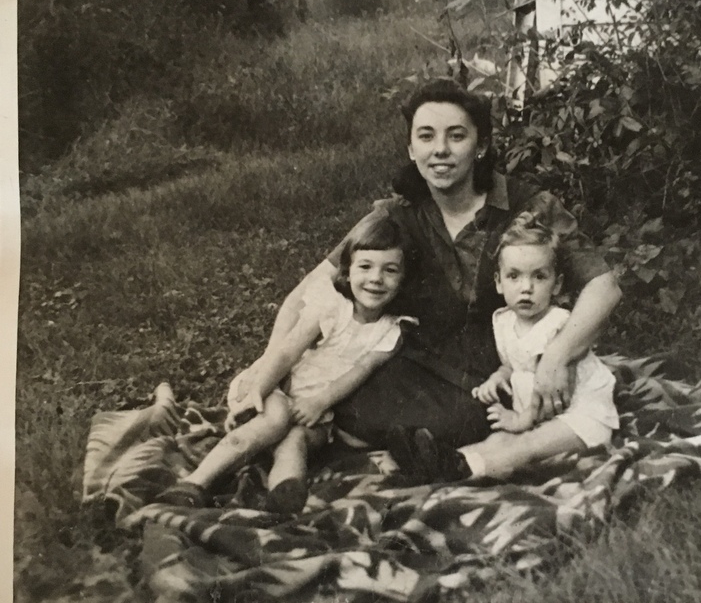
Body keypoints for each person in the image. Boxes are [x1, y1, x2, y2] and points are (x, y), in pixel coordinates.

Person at [240, 77, 622, 479]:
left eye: (456, 136)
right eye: (426, 136)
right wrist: (267, 371)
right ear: (412, 149)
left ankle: (436, 452)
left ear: (482, 146)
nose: (440, 150)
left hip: (495, 378)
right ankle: (363, 448)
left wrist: (557, 358)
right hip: (410, 369)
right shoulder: (395, 215)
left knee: (476, 419)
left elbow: (604, 285)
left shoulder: (529, 208)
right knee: (343, 404)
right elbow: (306, 294)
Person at [157, 213, 415, 513]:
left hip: (318, 408)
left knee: (298, 440)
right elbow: (286, 353)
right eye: (365, 267)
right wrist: (258, 390)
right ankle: (195, 484)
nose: (375, 279)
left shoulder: (392, 328)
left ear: (404, 279)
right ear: (347, 271)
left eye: (390, 270)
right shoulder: (331, 307)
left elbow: (360, 371)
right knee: (276, 419)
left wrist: (320, 402)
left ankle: (284, 501)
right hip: (277, 385)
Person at [387, 211, 620, 482]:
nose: (526, 288)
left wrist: (520, 421)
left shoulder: (557, 325)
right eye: (514, 276)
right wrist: (497, 378)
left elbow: (557, 393)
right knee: (498, 440)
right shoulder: (503, 321)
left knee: (525, 446)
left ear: (556, 285)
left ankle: (459, 469)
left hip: (580, 416)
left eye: (539, 277)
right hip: (532, 415)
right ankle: (434, 461)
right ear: (498, 282)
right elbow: (513, 362)